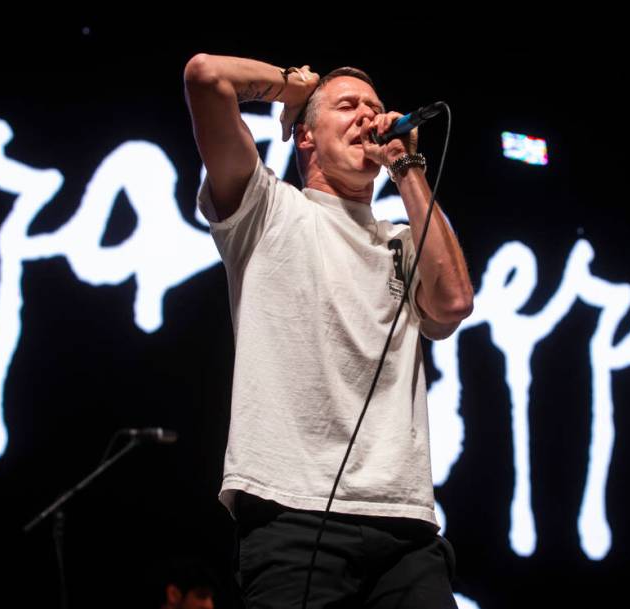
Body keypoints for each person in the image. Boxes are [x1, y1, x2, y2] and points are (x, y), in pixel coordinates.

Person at [183, 54, 474, 608]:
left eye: (373, 106)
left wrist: (407, 165)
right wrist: (295, 90)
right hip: (293, 515)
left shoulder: (402, 240)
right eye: (347, 106)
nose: (369, 116)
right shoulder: (265, 208)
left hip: (403, 523)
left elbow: (454, 303)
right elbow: (205, 76)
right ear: (306, 138)